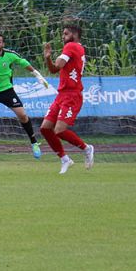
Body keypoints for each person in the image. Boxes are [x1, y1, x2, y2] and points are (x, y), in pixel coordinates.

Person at [40, 26, 93, 174]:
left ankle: (87, 148)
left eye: (66, 34)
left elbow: (58, 65)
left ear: (75, 34)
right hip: (62, 94)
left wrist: (54, 58)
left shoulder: (72, 46)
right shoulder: (77, 48)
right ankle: (65, 159)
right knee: (45, 128)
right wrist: (48, 57)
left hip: (72, 95)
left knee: (59, 130)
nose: (63, 37)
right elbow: (54, 69)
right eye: (62, 34)